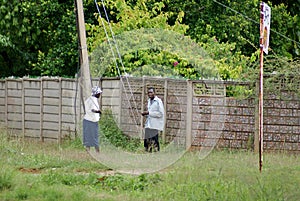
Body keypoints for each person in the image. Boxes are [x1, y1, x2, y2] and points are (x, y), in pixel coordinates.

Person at [141, 87, 165, 152]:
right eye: (148, 92)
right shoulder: (149, 101)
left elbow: (160, 114)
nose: (149, 94)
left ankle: (156, 153)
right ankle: (147, 152)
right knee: (147, 140)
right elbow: (150, 111)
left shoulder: (158, 101)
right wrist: (145, 114)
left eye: (151, 92)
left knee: (155, 140)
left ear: (154, 93)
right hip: (149, 123)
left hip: (155, 124)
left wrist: (149, 113)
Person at [83, 86, 102, 153]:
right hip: (92, 121)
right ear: (96, 93)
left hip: (87, 120)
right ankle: (97, 152)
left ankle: (87, 151)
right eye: (99, 93)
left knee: (88, 136)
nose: (100, 95)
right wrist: (99, 111)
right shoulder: (94, 100)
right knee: (95, 136)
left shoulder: (89, 99)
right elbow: (93, 109)